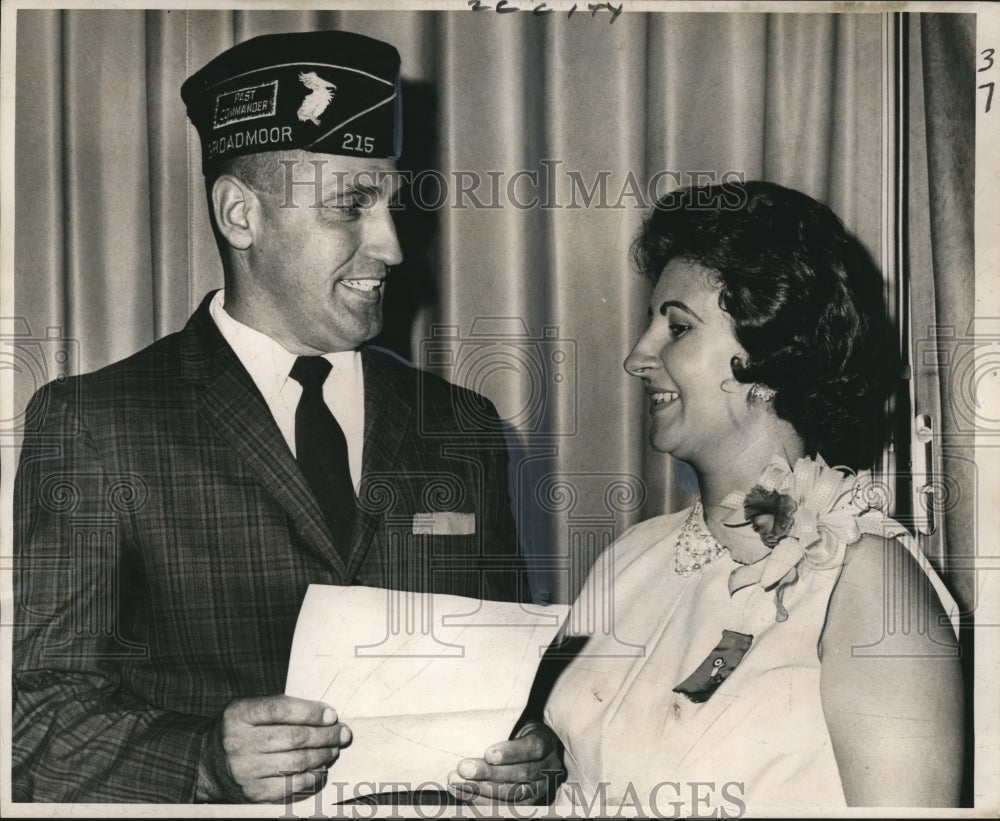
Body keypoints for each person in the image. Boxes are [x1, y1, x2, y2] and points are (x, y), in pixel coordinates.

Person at [13, 30, 525, 804]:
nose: (389, 245)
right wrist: (205, 759)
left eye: (391, 204)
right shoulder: (98, 424)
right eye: (351, 206)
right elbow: (36, 724)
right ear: (239, 214)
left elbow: (513, 685)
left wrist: (530, 750)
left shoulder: (463, 427)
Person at [448, 180, 964, 812]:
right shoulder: (631, 557)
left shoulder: (868, 581)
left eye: (677, 328)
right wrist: (532, 765)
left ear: (771, 360)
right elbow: (575, 763)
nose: (638, 357)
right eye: (649, 326)